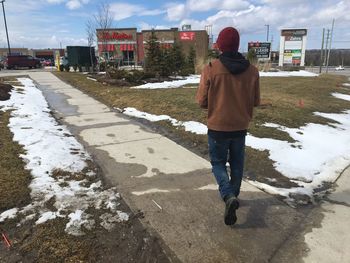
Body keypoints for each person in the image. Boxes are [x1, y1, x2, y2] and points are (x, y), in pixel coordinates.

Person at [196, 27, 260, 225]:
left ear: (221, 46)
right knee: (237, 163)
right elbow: (256, 101)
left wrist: (212, 102)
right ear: (237, 44)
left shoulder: (211, 68)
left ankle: (228, 195)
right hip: (240, 126)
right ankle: (233, 195)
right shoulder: (252, 71)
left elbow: (201, 101)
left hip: (218, 127)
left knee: (217, 163)